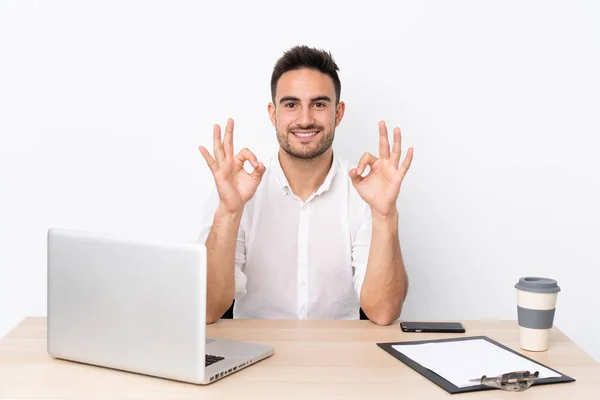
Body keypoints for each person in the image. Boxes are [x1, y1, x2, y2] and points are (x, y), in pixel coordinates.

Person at [197, 45, 414, 325]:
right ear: (273, 114)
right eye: (291, 105)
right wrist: (229, 212)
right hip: (254, 357)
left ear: (338, 113)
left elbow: (384, 313)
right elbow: (207, 310)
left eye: (319, 104)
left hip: (341, 358)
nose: (305, 119)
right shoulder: (236, 191)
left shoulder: (365, 191)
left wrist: (386, 215)